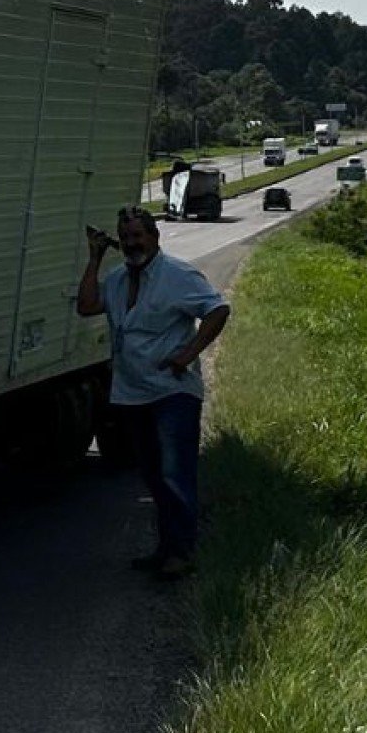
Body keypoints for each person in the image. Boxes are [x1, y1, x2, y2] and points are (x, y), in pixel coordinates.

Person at [75, 205, 230, 579]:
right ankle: (166, 548)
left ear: (154, 237)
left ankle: (183, 551)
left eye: (138, 236)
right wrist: (94, 259)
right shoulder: (115, 279)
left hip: (173, 392)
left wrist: (187, 354)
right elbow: (85, 306)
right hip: (132, 392)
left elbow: (217, 310)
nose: (132, 243)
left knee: (176, 473)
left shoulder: (177, 275)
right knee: (154, 475)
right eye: (126, 237)